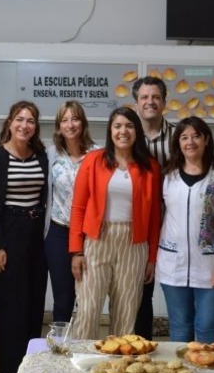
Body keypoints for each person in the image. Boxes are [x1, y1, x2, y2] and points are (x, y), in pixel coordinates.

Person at [69, 106, 161, 340]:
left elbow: (154, 216)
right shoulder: (93, 160)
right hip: (98, 239)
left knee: (126, 312)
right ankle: (81, 367)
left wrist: (152, 258)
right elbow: (78, 207)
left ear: (137, 131)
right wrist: (76, 251)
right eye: (118, 126)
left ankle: (117, 368)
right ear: (110, 130)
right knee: (88, 309)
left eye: (129, 126)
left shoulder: (150, 167)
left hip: (134, 243)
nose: (123, 131)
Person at [0, 101, 48, 373]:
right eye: (20, 119)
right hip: (6, 235)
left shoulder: (42, 157)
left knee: (34, 306)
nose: (25, 125)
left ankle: (31, 371)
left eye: (30, 120)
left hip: (37, 237)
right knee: (10, 310)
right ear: (9, 122)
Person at [157, 116, 214, 343]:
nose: (190, 142)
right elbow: (157, 216)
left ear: (206, 139)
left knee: (207, 327)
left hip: (211, 267)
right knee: (180, 327)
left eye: (195, 136)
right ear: (177, 144)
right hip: (173, 264)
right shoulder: (167, 176)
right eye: (184, 137)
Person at [44, 101, 97, 324]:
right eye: (64, 120)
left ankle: (85, 348)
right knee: (63, 299)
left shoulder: (97, 154)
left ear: (83, 123)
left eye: (75, 119)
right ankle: (60, 349)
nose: (70, 124)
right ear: (58, 127)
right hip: (59, 232)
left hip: (89, 235)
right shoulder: (51, 154)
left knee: (87, 297)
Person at [131, 75, 171, 339]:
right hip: (135, 226)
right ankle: (130, 347)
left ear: (164, 102)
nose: (150, 102)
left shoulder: (179, 136)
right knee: (133, 293)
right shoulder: (126, 135)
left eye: (155, 97)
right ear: (136, 103)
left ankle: (146, 346)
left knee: (158, 288)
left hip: (170, 224)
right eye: (144, 97)